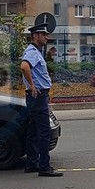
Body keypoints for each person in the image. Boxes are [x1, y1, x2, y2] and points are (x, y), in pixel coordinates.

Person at [20, 24, 61, 177]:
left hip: (36, 97)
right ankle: (44, 167)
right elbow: (24, 67)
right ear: (36, 36)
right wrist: (32, 86)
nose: (46, 37)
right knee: (43, 133)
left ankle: (32, 164)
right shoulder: (32, 52)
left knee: (32, 131)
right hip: (38, 97)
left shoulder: (35, 52)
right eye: (44, 35)